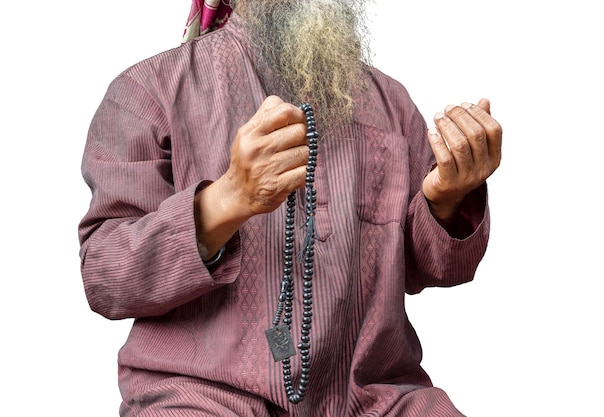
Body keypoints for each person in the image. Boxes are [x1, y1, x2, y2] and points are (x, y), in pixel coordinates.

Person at [78, 0, 502, 415]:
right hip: (201, 395)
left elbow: (433, 267)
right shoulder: (149, 89)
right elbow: (105, 276)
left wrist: (446, 199)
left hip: (375, 397)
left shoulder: (391, 103)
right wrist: (228, 199)